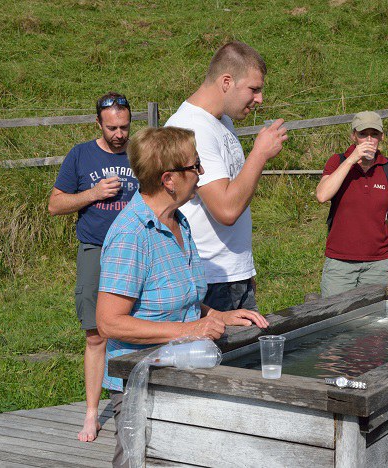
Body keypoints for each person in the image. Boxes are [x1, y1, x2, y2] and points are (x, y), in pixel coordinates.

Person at [95, 127, 269, 467]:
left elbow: (181, 298)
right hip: (139, 381)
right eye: (196, 166)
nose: (201, 173)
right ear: (169, 179)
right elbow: (109, 322)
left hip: (178, 368)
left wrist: (216, 315)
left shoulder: (180, 220)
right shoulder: (132, 234)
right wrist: (189, 330)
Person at [164, 41, 287, 312]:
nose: (260, 99)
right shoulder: (191, 128)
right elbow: (227, 209)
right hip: (209, 280)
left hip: (231, 275)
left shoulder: (221, 121)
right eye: (254, 89)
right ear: (227, 82)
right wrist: (259, 154)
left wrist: (243, 269)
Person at [47, 92, 137, 442]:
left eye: (125, 127)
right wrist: (93, 194)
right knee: (96, 332)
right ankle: (90, 415)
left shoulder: (139, 152)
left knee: (141, 326)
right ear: (98, 123)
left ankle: (136, 402)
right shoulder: (80, 155)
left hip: (135, 249)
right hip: (96, 250)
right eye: (112, 127)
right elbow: (55, 205)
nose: (119, 134)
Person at [316, 111, 388, 297]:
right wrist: (352, 159)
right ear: (353, 136)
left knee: (373, 321)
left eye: (374, 134)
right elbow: (322, 195)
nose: (369, 139)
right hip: (340, 263)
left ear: (382, 136)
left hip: (378, 264)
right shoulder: (338, 161)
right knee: (335, 318)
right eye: (363, 134)